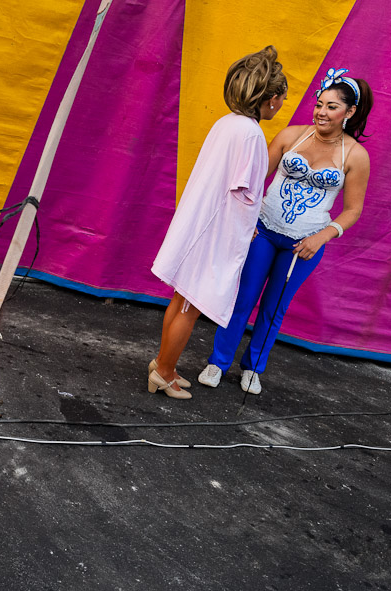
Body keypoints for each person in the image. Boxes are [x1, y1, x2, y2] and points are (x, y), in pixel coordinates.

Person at [198, 68, 373, 394]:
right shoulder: (291, 135)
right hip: (263, 231)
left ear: (349, 112)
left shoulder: (356, 156)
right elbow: (253, 181)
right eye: (319, 104)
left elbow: (353, 210)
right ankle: (217, 361)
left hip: (304, 245)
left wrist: (322, 236)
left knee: (274, 307)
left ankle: (253, 368)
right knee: (242, 299)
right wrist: (245, 221)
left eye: (332, 107)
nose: (321, 112)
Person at [148, 46, 288, 399]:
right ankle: (162, 372)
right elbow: (245, 193)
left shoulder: (228, 123)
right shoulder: (252, 135)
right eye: (283, 97)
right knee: (189, 307)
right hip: (212, 233)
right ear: (271, 99)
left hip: (199, 223)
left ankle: (163, 364)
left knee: (180, 299)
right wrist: (251, 224)